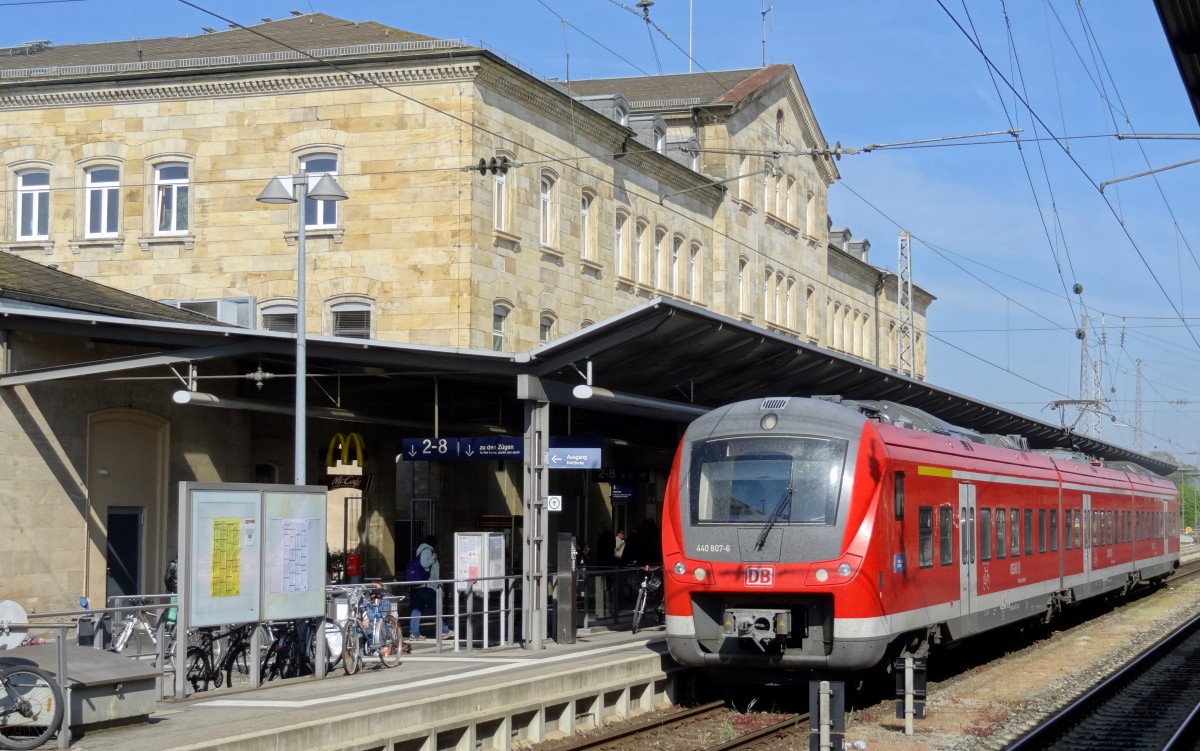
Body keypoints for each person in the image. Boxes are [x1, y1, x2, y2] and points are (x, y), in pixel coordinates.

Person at [408, 535, 452, 640]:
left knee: (417, 609)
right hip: (427, 586)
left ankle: (414, 633)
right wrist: (433, 557)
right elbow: (424, 564)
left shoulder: (421, 550)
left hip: (419, 586)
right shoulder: (427, 550)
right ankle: (445, 630)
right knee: (436, 608)